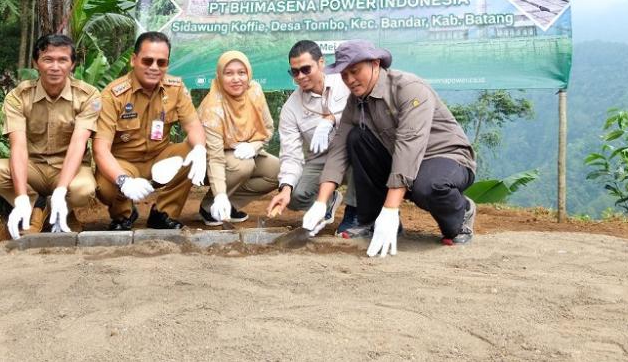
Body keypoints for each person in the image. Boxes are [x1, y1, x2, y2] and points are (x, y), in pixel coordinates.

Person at [300, 40, 477, 257]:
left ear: (375, 64)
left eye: (355, 71)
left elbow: (408, 146)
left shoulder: (409, 89)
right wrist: (320, 202)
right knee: (356, 138)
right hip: (400, 159)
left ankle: (462, 214)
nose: (350, 80)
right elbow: (339, 150)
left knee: (429, 187)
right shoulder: (356, 102)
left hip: (445, 157)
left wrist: (391, 209)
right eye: (344, 75)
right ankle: (372, 219)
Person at [0, 34, 101, 239]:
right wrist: (20, 197)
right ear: (36, 63)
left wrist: (61, 190)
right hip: (33, 167)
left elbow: (78, 144)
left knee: (84, 190)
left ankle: (60, 209)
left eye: (62, 60)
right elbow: (18, 147)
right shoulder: (18, 96)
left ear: (72, 64)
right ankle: (36, 205)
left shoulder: (88, 96)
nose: (55, 67)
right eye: (48, 59)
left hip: (69, 166)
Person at [93, 32, 207, 230]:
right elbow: (100, 149)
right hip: (124, 162)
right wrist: (124, 180)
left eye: (161, 62)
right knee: (105, 186)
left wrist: (199, 149)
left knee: (193, 151)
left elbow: (193, 126)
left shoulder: (175, 88)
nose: (154, 67)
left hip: (160, 158)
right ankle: (124, 214)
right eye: (147, 61)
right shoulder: (113, 95)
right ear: (133, 60)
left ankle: (163, 213)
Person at [267, 40, 358, 235]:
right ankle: (327, 202)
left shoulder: (345, 82)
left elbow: (365, 114)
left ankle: (355, 212)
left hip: (353, 151)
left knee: (360, 147)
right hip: (321, 159)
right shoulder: (291, 108)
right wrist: (285, 188)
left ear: (321, 63)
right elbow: (291, 154)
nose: (300, 76)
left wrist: (333, 119)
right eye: (294, 72)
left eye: (306, 69)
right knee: (296, 196)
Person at [197, 50, 280, 225]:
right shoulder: (212, 108)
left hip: (244, 153)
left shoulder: (254, 91)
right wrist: (219, 195)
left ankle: (230, 204)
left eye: (241, 72)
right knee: (243, 165)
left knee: (279, 170)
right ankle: (210, 206)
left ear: (248, 73)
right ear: (219, 76)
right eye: (229, 73)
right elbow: (215, 158)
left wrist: (253, 147)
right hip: (205, 162)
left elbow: (267, 129)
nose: (236, 79)